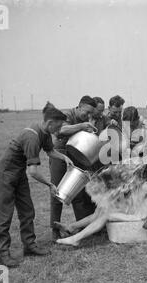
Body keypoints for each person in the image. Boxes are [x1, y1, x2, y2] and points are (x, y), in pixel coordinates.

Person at [0, 102, 73, 267]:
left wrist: (64, 157)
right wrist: (50, 184)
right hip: (6, 173)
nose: (59, 131)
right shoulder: (32, 137)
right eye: (57, 127)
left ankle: (29, 246)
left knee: (27, 210)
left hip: (18, 172)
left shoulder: (44, 133)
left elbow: (50, 151)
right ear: (50, 123)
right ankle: (3, 254)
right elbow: (34, 172)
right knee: (5, 215)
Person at [54, 164, 147, 246]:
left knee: (107, 215)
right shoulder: (125, 188)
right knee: (102, 210)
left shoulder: (145, 186)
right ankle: (72, 227)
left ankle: (76, 239)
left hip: (144, 220)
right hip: (134, 216)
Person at [49, 95, 98, 241]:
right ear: (79, 106)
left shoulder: (84, 119)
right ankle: (54, 231)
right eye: (86, 112)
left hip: (75, 155)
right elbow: (60, 131)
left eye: (91, 114)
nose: (88, 116)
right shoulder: (67, 115)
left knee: (78, 193)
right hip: (60, 154)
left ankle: (81, 228)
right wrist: (82, 126)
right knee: (57, 192)